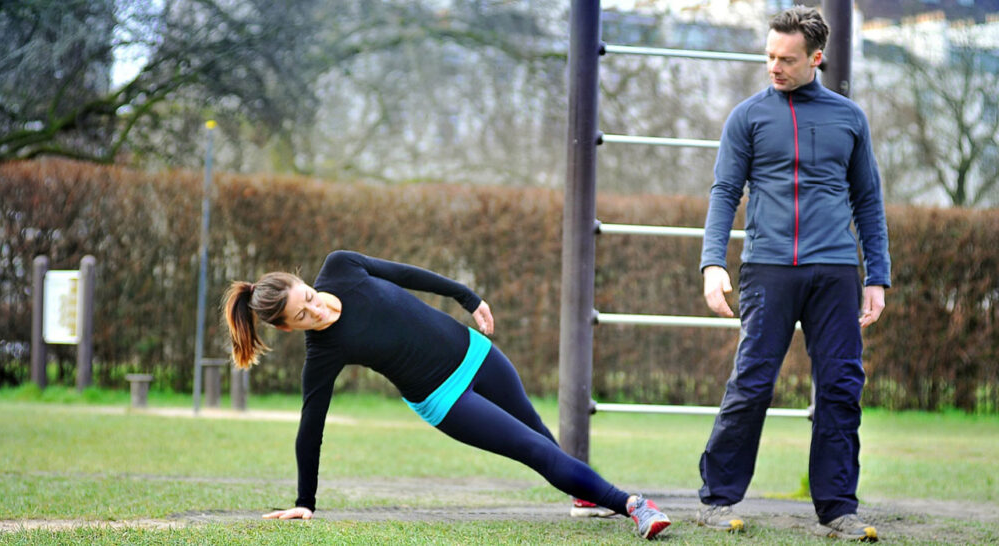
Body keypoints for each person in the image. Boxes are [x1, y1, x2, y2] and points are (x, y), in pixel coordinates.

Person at [222, 250, 671, 540]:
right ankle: (634, 505)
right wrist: (305, 502)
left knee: (539, 432)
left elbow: (410, 275)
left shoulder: (342, 267)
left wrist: (469, 298)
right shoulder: (322, 352)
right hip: (446, 400)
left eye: (311, 297)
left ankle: (586, 496)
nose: (317, 310)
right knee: (534, 450)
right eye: (304, 315)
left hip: (477, 354)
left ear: (306, 281)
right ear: (287, 327)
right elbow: (310, 428)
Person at [697, 6, 890, 542]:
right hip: (768, 269)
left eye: (786, 59)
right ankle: (716, 499)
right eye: (769, 57)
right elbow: (724, 194)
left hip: (835, 272)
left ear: (816, 58)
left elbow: (869, 202)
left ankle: (838, 510)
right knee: (753, 383)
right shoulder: (747, 117)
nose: (774, 67)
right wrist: (713, 263)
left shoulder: (849, 118)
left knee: (841, 387)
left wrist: (877, 276)